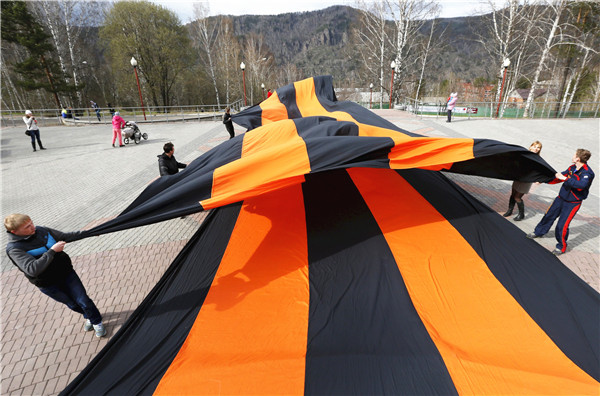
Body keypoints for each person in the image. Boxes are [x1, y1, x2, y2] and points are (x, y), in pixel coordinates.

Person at [4, 214, 107, 337]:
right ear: (14, 232)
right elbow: (32, 269)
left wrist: (89, 233)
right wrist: (52, 251)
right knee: (73, 304)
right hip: (48, 284)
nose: (33, 227)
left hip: (66, 273)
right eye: (27, 227)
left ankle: (96, 321)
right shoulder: (14, 249)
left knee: (83, 300)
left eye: (31, 223)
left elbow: (64, 236)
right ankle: (89, 316)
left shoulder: (41, 230)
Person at [527, 149, 594, 255]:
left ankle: (561, 247)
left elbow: (581, 186)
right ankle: (539, 232)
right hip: (560, 198)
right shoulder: (572, 168)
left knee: (562, 225)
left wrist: (565, 179)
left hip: (573, 203)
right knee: (548, 215)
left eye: (574, 155)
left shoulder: (587, 173)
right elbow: (559, 177)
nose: (572, 156)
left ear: (578, 158)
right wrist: (544, 180)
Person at [503, 141, 543, 221]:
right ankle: (510, 210)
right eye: (535, 146)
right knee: (513, 194)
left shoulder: (538, 159)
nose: (536, 149)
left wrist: (539, 180)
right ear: (531, 146)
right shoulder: (524, 154)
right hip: (519, 178)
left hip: (527, 181)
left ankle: (521, 214)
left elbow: (541, 171)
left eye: (538, 147)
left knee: (517, 197)